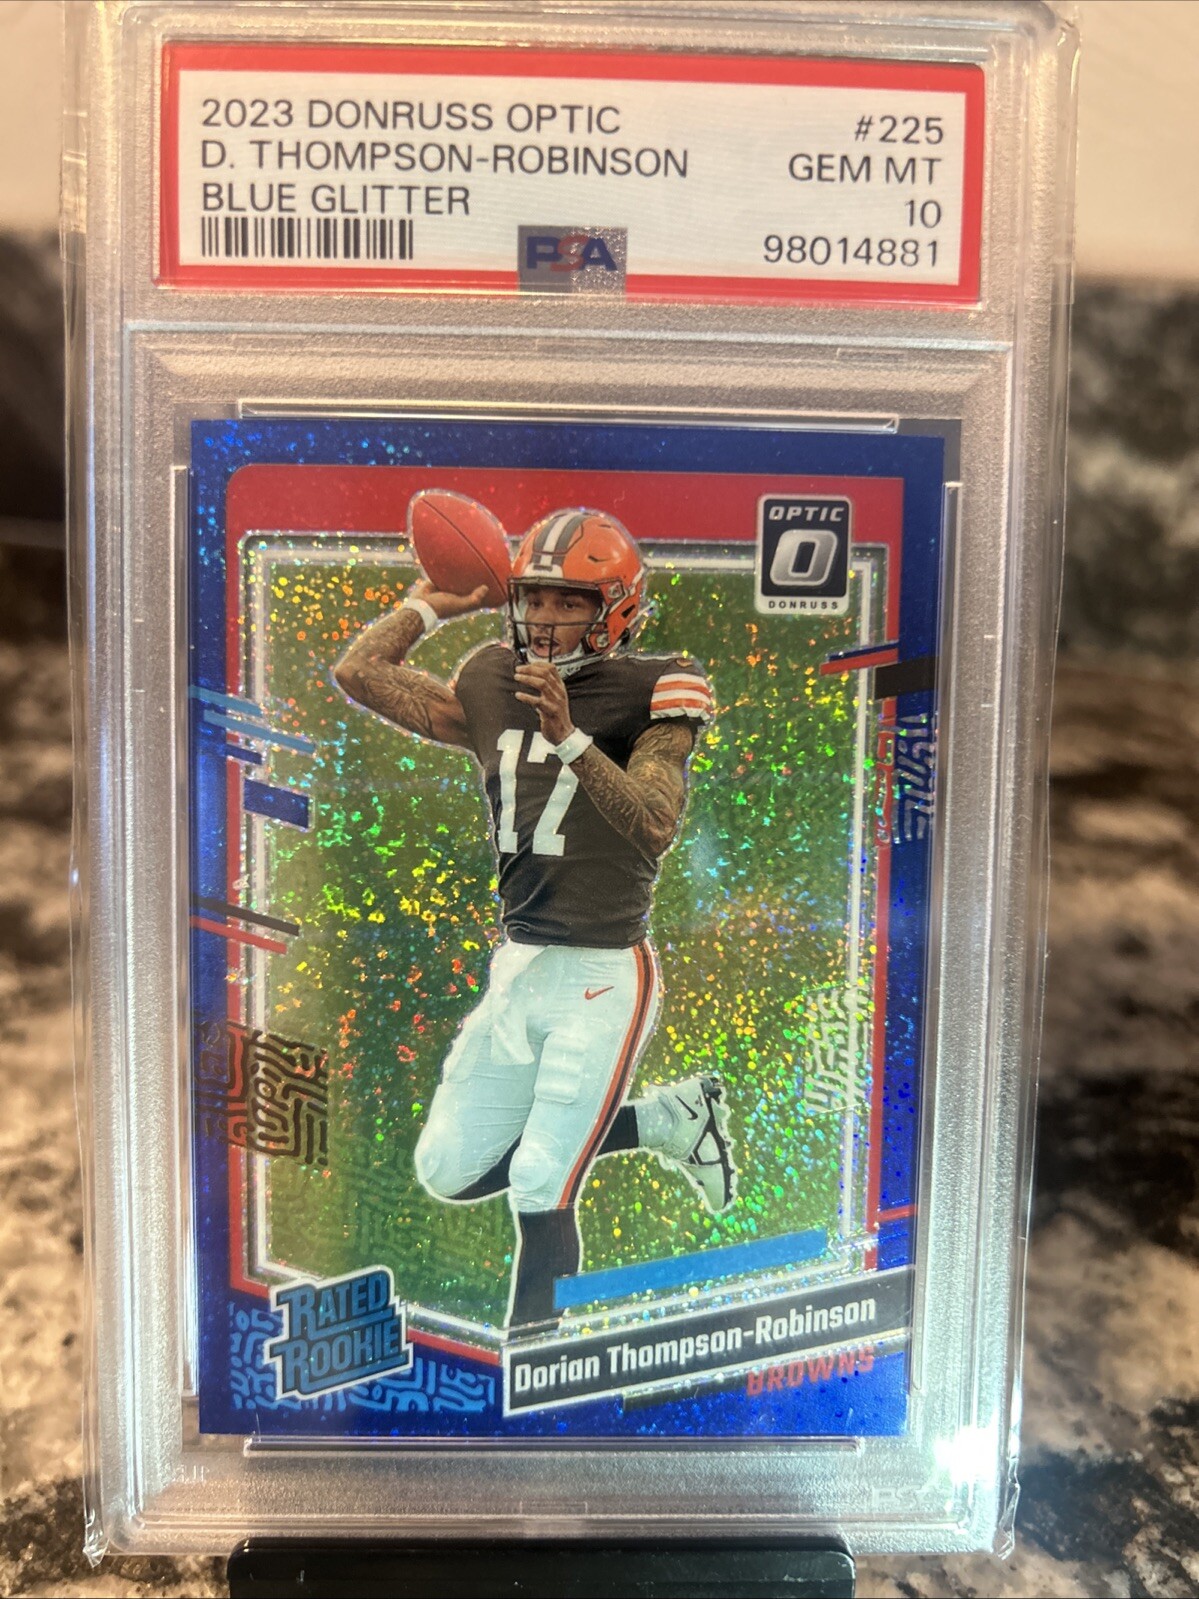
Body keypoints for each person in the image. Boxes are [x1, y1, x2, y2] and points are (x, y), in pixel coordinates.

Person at [335, 503, 736, 1339]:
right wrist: (428, 607)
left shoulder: (658, 684)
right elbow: (359, 671)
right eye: (535, 598)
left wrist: (570, 737)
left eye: (570, 601)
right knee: (446, 1168)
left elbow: (655, 821)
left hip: (603, 970)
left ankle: (536, 1373)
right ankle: (667, 1120)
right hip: (519, 961)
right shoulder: (491, 675)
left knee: (540, 1180)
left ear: (615, 609)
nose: (546, 619)